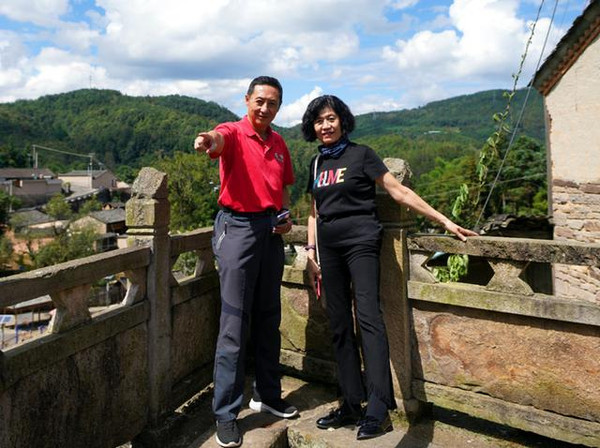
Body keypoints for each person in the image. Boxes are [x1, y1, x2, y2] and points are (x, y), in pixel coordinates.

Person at [302, 95, 477, 441]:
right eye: (319, 121)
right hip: (328, 249)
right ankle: (351, 403)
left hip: (361, 243)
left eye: (331, 118)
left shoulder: (362, 155)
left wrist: (444, 221)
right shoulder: (317, 162)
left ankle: (379, 410)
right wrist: (310, 252)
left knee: (369, 318)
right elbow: (313, 211)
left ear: (343, 121)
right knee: (339, 324)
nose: (325, 125)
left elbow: (399, 192)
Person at [194, 76, 298, 448]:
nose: (265, 108)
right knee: (234, 323)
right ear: (247, 100)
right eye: (260, 101)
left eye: (273, 103)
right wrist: (208, 140)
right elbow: (217, 139)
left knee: (269, 317)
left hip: (271, 231)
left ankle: (267, 395)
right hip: (237, 228)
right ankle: (226, 414)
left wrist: (285, 214)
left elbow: (284, 186)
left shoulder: (279, 142)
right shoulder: (234, 132)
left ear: (279, 107)